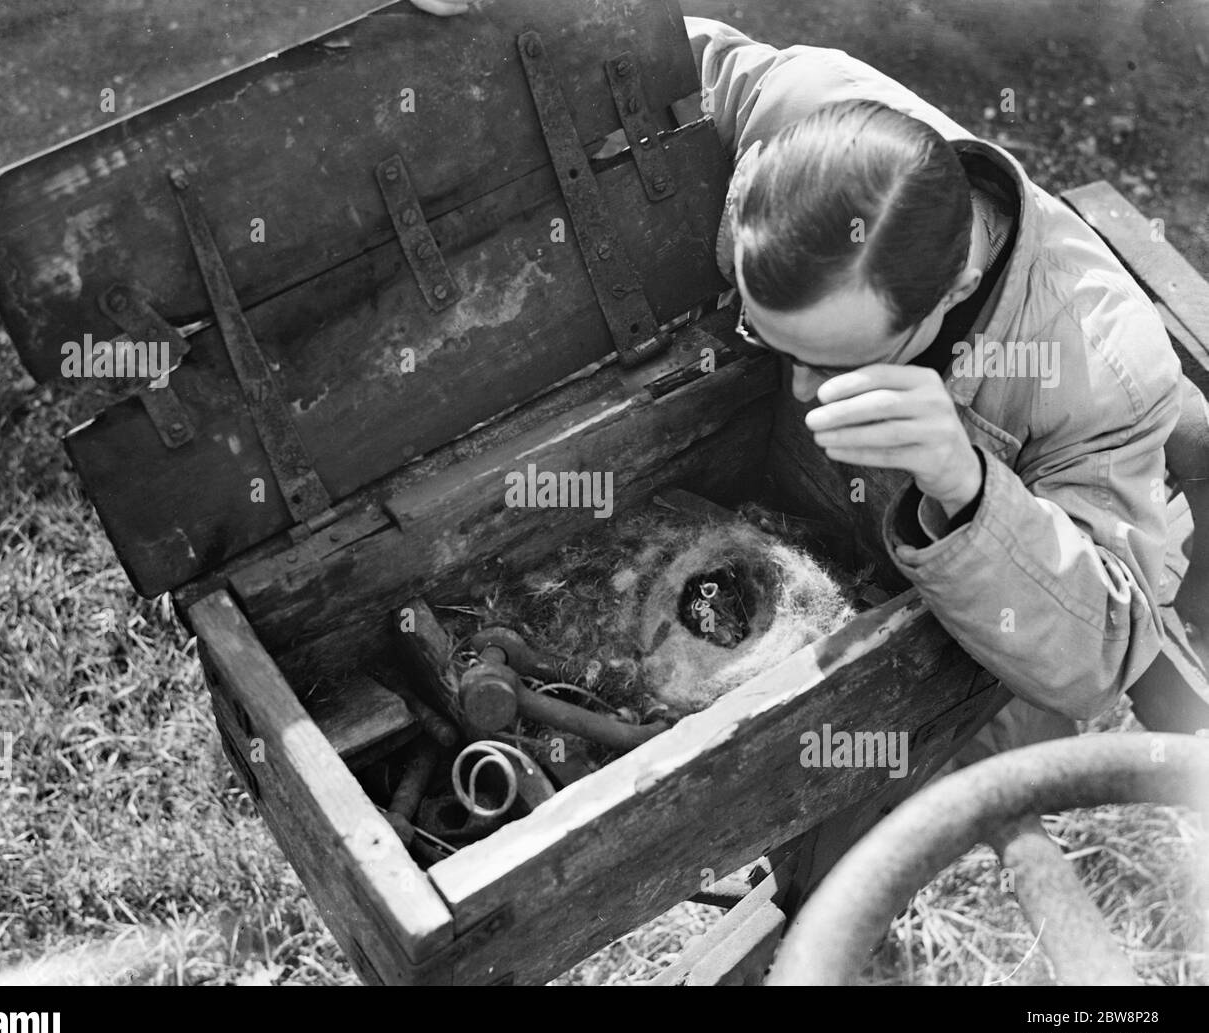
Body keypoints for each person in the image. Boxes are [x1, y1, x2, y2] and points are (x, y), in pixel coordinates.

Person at [413, 3, 1184, 754]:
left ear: (954, 289)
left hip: (969, 653)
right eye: (775, 336)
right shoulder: (796, 102)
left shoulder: (1100, 368)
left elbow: (1102, 658)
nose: (806, 394)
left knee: (903, 798)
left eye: (839, 364)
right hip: (786, 531)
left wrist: (970, 486)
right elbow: (629, 54)